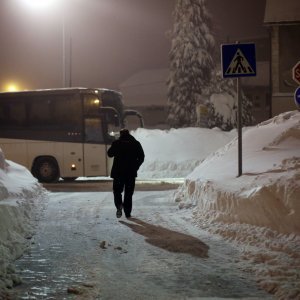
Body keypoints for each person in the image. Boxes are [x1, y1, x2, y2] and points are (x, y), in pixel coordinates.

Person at [107, 129, 145, 218]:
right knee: (128, 193)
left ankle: (119, 206)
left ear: (120, 135)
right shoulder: (135, 143)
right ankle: (127, 213)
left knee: (117, 191)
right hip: (130, 173)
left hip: (118, 173)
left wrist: (115, 146)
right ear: (129, 134)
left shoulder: (117, 143)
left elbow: (109, 154)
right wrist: (136, 166)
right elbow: (141, 157)